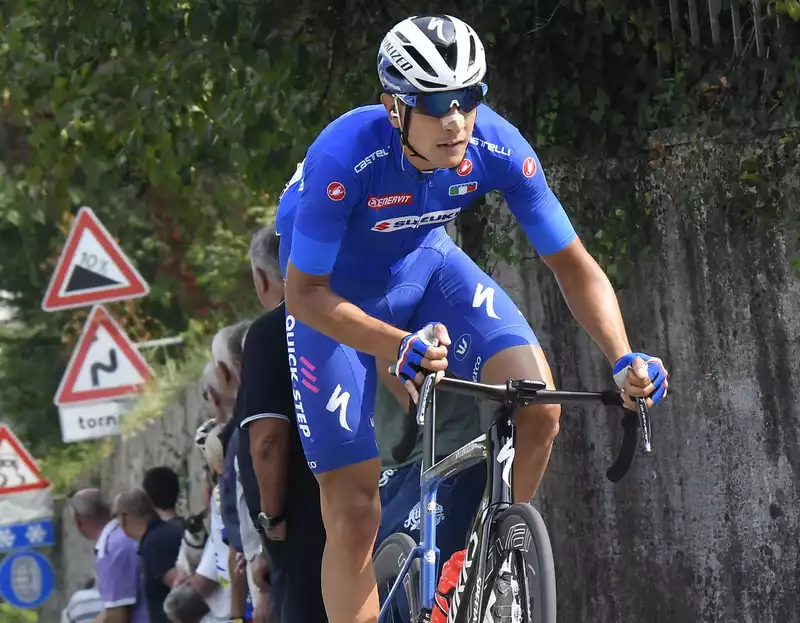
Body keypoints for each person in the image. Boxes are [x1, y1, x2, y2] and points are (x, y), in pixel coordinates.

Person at [276, 13, 671, 623]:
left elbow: (571, 261)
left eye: (469, 97)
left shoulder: (494, 146)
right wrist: (392, 343)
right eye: (434, 103)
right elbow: (303, 294)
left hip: (426, 266)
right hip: (336, 301)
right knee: (353, 508)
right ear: (394, 108)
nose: (456, 118)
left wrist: (621, 358)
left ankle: (489, 566)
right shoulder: (344, 156)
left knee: (538, 403)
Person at [238, 226, 327, 622]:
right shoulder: (343, 311)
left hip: (302, 524)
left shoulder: (268, 332)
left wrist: (271, 519)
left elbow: (268, 439)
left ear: (261, 278)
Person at [70, 488, 147, 623]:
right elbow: (112, 607)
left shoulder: (111, 550)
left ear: (78, 520)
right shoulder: (123, 536)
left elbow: (117, 616)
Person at [115, 488, 184, 623]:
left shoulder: (154, 544)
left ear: (124, 517)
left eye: (115, 516)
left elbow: (183, 591)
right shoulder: (168, 530)